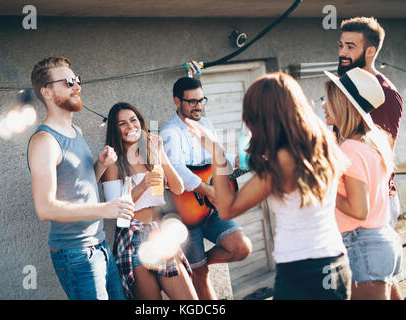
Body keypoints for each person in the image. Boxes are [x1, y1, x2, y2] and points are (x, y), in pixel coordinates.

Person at [185, 72, 352, 300]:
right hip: (335, 262)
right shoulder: (320, 145)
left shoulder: (281, 162)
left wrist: (218, 156)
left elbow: (228, 208)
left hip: (303, 269)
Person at [27, 57, 134, 300]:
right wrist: (105, 209)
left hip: (100, 246)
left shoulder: (77, 132)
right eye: (67, 82)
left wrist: (101, 165)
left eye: (77, 80)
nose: (77, 86)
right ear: (47, 92)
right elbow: (44, 208)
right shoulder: (44, 141)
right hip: (75, 255)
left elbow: (78, 187)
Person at [160, 77, 252, 300]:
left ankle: (196, 265)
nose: (198, 106)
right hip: (185, 214)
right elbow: (178, 170)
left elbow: (216, 159)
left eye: (201, 100)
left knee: (241, 248)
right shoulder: (169, 132)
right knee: (200, 279)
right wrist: (210, 191)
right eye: (192, 102)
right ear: (177, 101)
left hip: (210, 210)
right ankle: (197, 268)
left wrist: (236, 161)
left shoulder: (206, 125)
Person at [100, 102, 198, 300]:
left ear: (141, 123)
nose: (130, 127)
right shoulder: (113, 162)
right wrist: (142, 185)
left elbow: (178, 188)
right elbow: (115, 210)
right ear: (115, 129)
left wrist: (160, 152)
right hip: (133, 239)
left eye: (133, 120)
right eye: (122, 124)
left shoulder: (151, 154)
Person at [337, 17, 404, 300]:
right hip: (357, 197)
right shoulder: (347, 86)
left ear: (370, 51)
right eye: (340, 45)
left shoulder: (384, 95)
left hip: (374, 199)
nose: (342, 52)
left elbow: (380, 154)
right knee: (383, 283)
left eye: (350, 46)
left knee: (373, 281)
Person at [323, 67, 403, 300]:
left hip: (362, 246)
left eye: (329, 100)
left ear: (344, 105)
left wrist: (326, 191)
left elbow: (359, 210)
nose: (324, 105)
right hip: (381, 241)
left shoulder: (349, 149)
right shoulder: (372, 142)